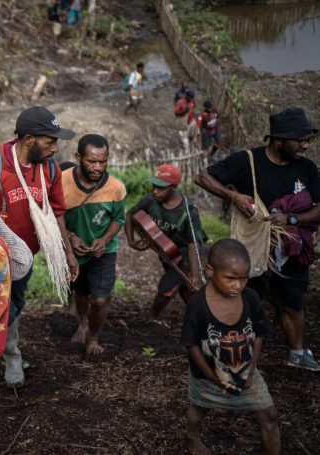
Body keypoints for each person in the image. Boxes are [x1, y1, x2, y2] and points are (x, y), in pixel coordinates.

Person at [194, 107, 320, 371]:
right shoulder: (247, 161)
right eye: (300, 140)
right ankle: (235, 354)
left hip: (290, 249)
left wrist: (293, 219)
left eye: (309, 140)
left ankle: (297, 353)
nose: (306, 146)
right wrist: (232, 196)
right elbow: (202, 177)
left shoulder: (307, 169)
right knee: (243, 299)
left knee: (293, 302)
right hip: (251, 246)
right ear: (278, 140)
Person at [0, 106, 79, 387]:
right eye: (50, 141)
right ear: (30, 140)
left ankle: (7, 351)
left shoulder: (49, 169)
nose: (56, 149)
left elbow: (57, 211)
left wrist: (67, 253)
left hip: (24, 259)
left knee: (15, 305)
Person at [181, 239, 280, 455]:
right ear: (210, 271)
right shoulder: (197, 305)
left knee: (270, 415)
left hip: (245, 370)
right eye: (231, 278)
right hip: (206, 374)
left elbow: (259, 333)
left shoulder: (251, 298)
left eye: (244, 278)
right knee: (198, 409)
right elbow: (191, 345)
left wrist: (252, 368)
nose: (238, 285)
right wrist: (212, 377)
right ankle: (192, 436)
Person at [62, 134, 127, 355]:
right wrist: (70, 237)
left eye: (103, 161)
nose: (98, 167)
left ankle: (93, 337)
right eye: (91, 161)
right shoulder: (62, 182)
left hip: (103, 251)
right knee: (80, 290)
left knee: (100, 299)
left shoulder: (116, 188)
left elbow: (119, 219)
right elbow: (52, 216)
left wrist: (105, 239)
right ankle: (82, 322)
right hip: (75, 250)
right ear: (78, 157)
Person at [126, 165, 206, 317]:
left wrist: (195, 274)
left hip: (183, 256)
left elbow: (192, 244)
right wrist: (131, 241)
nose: (155, 191)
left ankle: (151, 317)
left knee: (166, 288)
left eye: (161, 188)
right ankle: (199, 317)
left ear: (174, 187)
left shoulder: (188, 211)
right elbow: (130, 215)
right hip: (165, 249)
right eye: (154, 186)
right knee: (182, 286)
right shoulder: (151, 200)